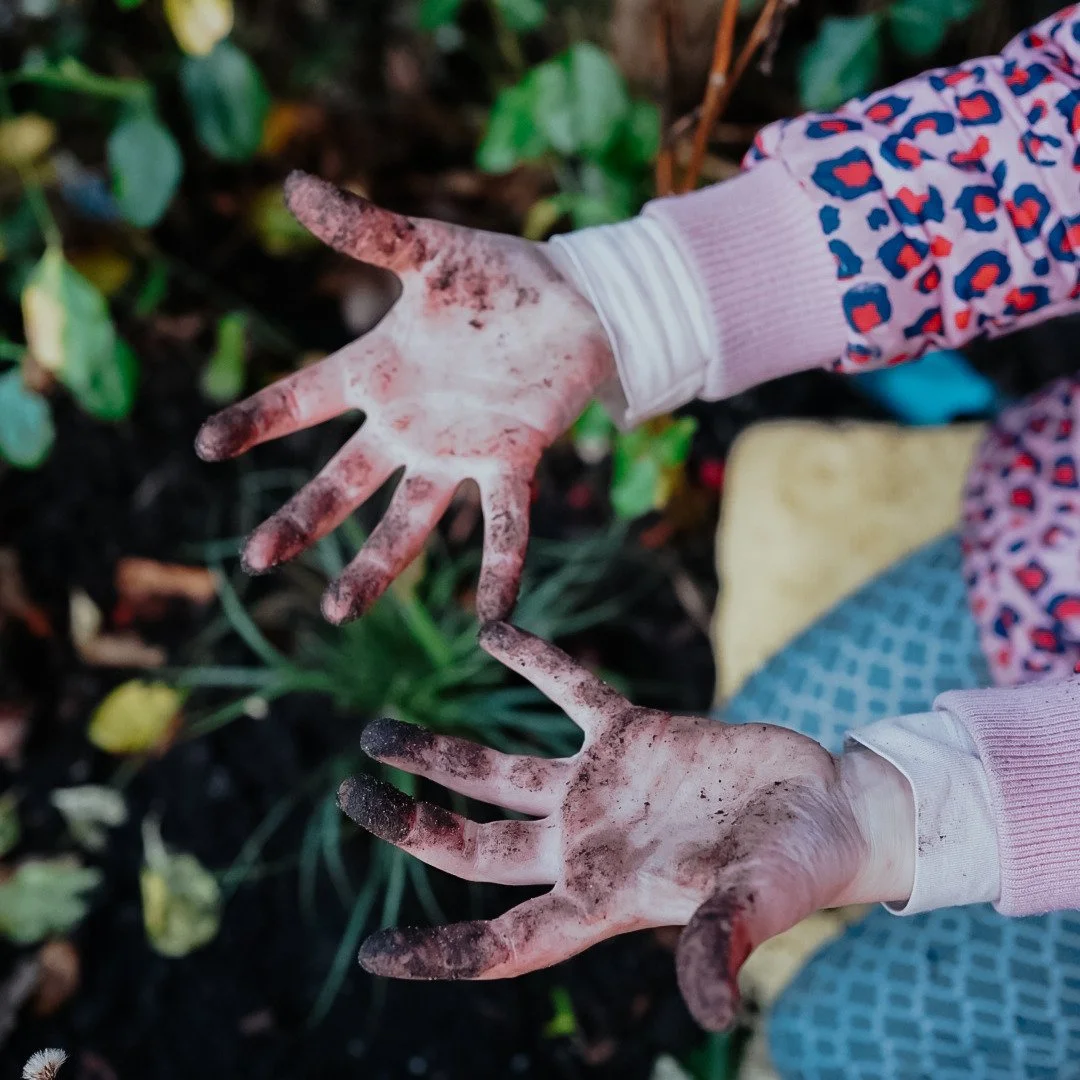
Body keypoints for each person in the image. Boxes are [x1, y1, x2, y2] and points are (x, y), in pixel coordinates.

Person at [195, 5, 1080, 1072]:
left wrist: (931, 814)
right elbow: (1044, 141)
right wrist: (628, 298)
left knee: (837, 1042)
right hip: (1052, 555)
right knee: (758, 752)